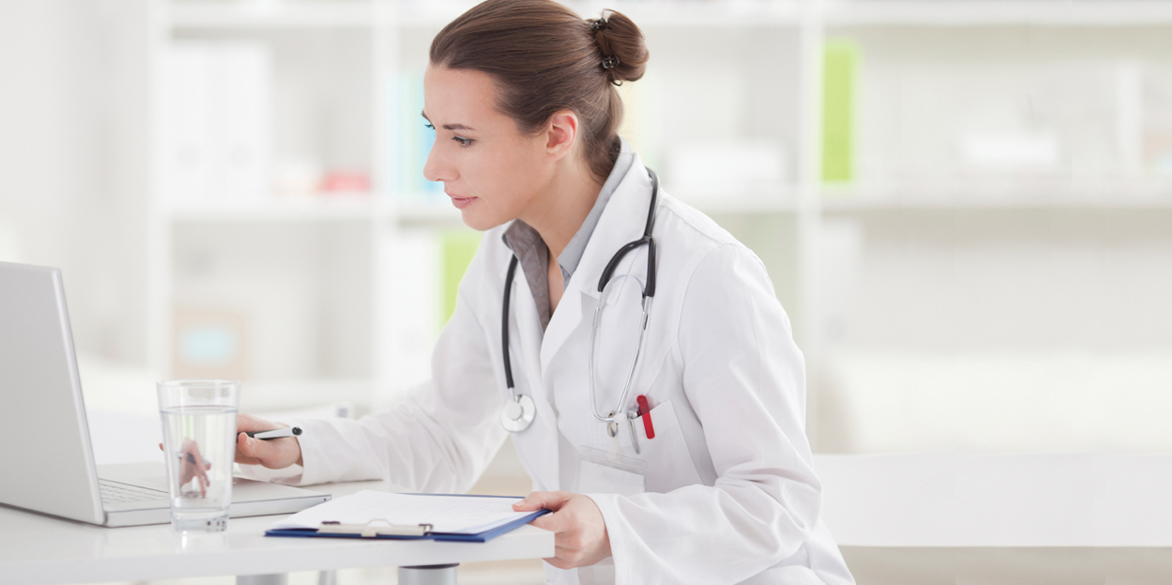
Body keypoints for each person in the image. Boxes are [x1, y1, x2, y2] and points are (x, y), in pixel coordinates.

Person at [233, 0, 855, 583]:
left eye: (463, 138)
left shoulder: (707, 273)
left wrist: (614, 525)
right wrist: (297, 448)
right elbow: (442, 434)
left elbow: (780, 500)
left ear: (558, 135)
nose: (433, 166)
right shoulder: (503, 262)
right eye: (433, 131)